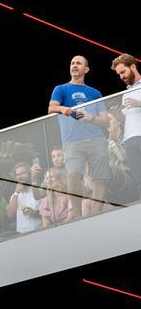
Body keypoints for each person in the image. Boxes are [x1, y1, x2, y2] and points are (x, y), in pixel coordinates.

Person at [50, 55, 111, 218]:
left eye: (78, 63)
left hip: (96, 139)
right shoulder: (61, 89)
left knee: (100, 178)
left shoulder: (95, 92)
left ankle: (97, 214)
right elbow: (52, 107)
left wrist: (90, 118)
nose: (74, 66)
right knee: (73, 175)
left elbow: (105, 120)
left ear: (86, 69)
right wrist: (63, 109)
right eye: (72, 63)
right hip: (72, 141)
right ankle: (77, 216)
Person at [113, 54, 141, 180]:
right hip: (129, 139)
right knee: (138, 178)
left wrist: (139, 104)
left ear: (133, 67)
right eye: (119, 74)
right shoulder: (126, 93)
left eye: (123, 72)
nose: (122, 76)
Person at [8, 161, 44, 236]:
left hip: (39, 232)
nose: (20, 177)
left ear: (29, 174)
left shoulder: (38, 190)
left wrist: (34, 214)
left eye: (22, 173)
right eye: (17, 175)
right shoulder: (15, 195)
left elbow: (50, 215)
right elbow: (10, 214)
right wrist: (16, 192)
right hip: (21, 235)